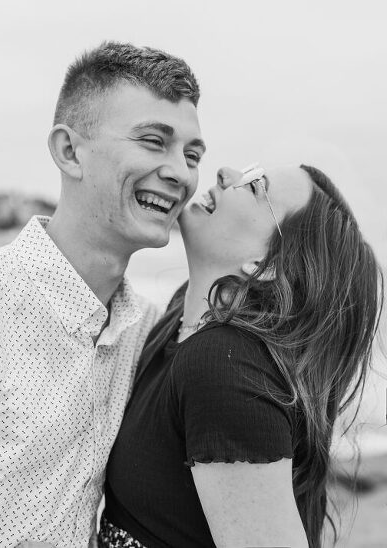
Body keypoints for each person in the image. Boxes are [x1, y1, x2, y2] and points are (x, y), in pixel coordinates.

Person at [0, 41, 206, 547]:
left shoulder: (148, 328)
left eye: (192, 155)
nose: (180, 172)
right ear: (69, 151)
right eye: (153, 141)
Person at [101, 164, 383, 548]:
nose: (224, 172)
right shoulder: (180, 320)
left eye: (255, 186)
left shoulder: (223, 365)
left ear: (266, 266)